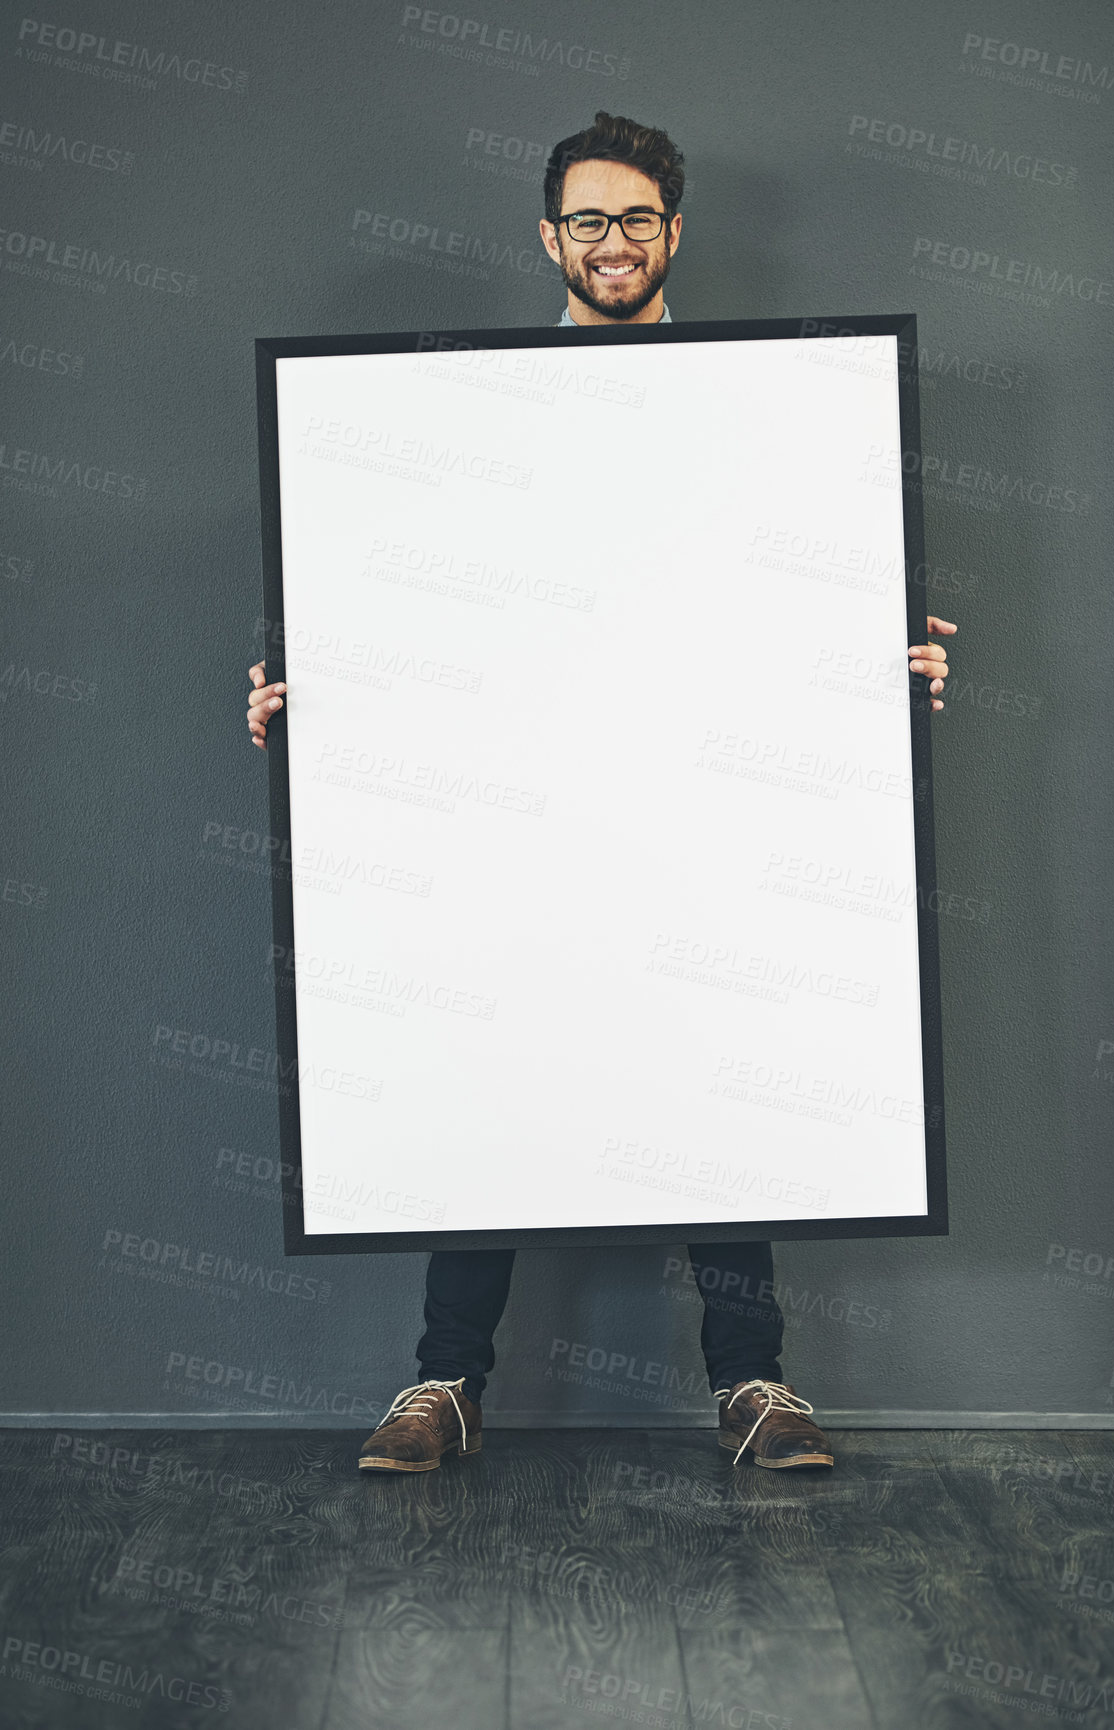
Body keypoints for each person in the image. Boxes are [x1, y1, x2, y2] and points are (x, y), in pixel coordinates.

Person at [246, 111, 957, 1476]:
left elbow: (797, 584)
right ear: (546, 237)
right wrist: (313, 698)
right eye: (587, 221)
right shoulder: (464, 413)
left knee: (721, 1048)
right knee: (481, 1040)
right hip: (511, 808)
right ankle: (443, 1379)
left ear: (672, 234)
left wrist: (886, 654)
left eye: (637, 220)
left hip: (697, 809)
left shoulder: (766, 408)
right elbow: (395, 583)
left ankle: (752, 1380)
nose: (613, 243)